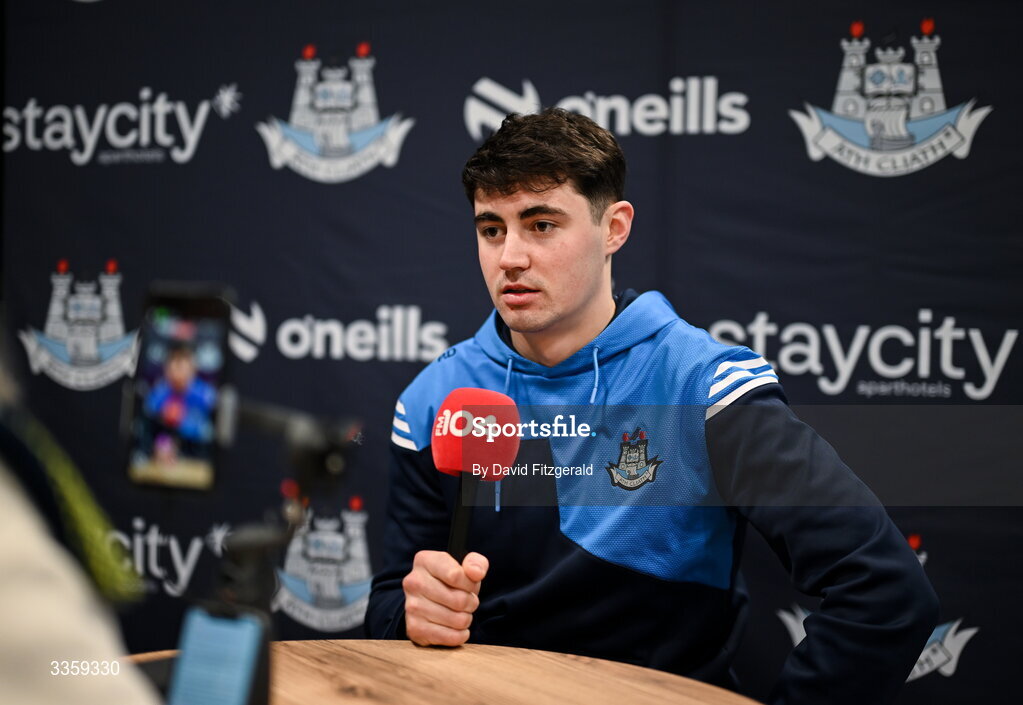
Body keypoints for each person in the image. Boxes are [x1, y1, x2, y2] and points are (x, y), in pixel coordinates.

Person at [366, 107, 938, 705]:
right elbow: (387, 603)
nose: (510, 257)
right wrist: (414, 614)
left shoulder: (703, 387)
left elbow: (886, 591)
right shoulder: (437, 397)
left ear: (614, 228)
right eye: (491, 229)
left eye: (540, 225)